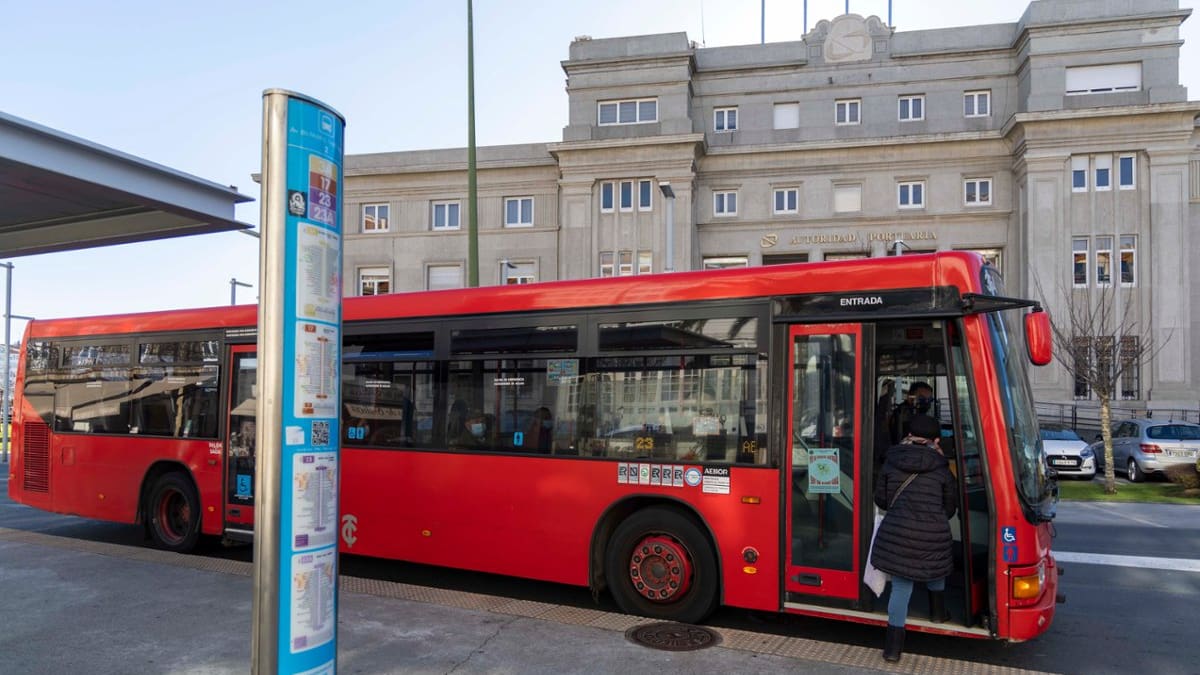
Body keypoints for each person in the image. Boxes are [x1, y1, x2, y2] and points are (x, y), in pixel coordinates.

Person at [871, 414, 958, 663]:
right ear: (936, 439)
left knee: (901, 586)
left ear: (908, 435)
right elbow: (950, 507)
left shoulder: (891, 461)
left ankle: (892, 648)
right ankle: (938, 614)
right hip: (933, 534)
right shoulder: (941, 468)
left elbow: (881, 500)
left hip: (897, 533)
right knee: (936, 568)